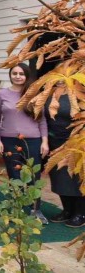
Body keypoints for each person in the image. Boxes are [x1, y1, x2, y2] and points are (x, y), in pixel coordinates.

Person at [0, 63, 49, 224]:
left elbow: (42, 120)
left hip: (33, 140)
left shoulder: (34, 94)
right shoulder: (2, 94)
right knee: (14, 175)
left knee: (33, 176)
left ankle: (35, 210)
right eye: (14, 73)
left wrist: (44, 141)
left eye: (21, 74)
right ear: (10, 75)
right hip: (9, 140)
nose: (18, 76)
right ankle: (16, 209)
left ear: (27, 76)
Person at [46, 93, 85, 227]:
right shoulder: (49, 91)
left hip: (76, 143)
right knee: (60, 178)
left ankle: (80, 213)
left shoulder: (80, 91)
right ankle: (67, 210)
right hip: (54, 142)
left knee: (77, 178)